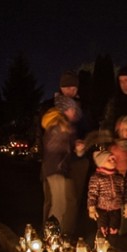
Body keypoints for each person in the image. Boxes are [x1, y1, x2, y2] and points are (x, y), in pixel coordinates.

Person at [40, 92, 82, 237]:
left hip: (58, 169)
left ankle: (55, 236)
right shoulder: (58, 127)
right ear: (64, 110)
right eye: (71, 109)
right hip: (56, 170)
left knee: (61, 203)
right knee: (59, 204)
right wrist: (69, 140)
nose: (74, 112)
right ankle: (53, 237)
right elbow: (54, 148)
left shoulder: (64, 127)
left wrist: (74, 143)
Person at [86, 148, 124, 238]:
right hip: (102, 209)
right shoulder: (97, 177)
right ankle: (102, 244)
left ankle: (113, 243)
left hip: (116, 208)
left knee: (114, 230)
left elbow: (123, 191)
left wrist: (126, 203)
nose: (112, 161)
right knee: (102, 230)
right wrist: (91, 208)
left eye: (113, 159)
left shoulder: (119, 177)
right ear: (102, 163)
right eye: (109, 160)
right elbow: (92, 194)